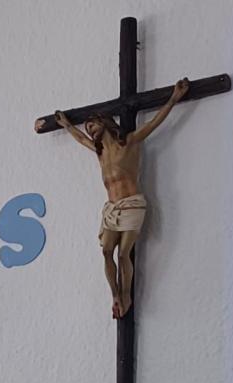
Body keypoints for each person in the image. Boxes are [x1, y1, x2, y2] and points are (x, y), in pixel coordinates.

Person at [56, 78, 188, 318]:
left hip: (131, 205)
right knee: (106, 251)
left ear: (105, 123)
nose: (90, 130)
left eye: (92, 124)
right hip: (112, 208)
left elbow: (155, 123)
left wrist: (173, 98)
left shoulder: (128, 143)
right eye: (88, 127)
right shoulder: (100, 152)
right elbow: (79, 139)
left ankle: (125, 294)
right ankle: (114, 294)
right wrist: (66, 125)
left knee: (123, 252)